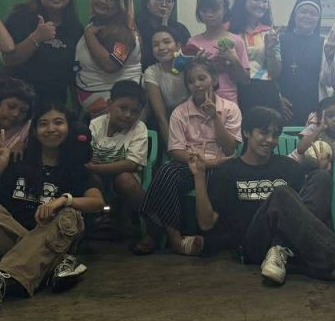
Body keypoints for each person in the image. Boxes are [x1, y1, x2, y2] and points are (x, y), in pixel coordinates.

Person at [193, 105, 335, 288]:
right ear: (246, 132)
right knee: (281, 194)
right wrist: (199, 176)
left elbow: (307, 211)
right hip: (253, 243)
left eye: (275, 135)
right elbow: (206, 223)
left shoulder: (287, 167)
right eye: (264, 132)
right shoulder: (228, 171)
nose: (270, 140)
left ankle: (280, 249)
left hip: (290, 244)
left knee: (320, 177)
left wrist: (323, 165)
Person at [0, 101, 104, 310]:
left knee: (70, 214)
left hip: (52, 234)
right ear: (35, 132)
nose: (51, 129)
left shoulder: (75, 168)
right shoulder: (19, 161)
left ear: (69, 128)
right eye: (43, 124)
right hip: (12, 234)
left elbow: (97, 202)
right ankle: (51, 264)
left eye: (58, 122)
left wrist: (63, 200)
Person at [135, 59, 241, 257]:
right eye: (191, 81)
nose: (197, 84)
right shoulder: (180, 112)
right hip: (191, 163)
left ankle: (156, 233)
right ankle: (175, 239)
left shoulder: (230, 108)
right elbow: (175, 151)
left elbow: (229, 149)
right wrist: (202, 163)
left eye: (202, 78)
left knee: (222, 176)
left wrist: (215, 117)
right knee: (167, 171)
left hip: (222, 165)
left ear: (214, 79)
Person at [0, 0, 84, 106]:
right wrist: (36, 37)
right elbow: (8, 60)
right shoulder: (20, 16)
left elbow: (74, 72)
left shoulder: (74, 27)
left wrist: (78, 108)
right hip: (17, 99)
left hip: (53, 102)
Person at [85, 80, 148, 237]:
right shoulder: (96, 124)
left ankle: (148, 223)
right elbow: (85, 155)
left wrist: (96, 167)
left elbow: (131, 164)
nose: (128, 115)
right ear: (110, 104)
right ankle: (94, 221)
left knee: (125, 179)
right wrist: (94, 168)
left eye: (135, 111)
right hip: (98, 177)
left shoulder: (139, 128)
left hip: (123, 178)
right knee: (90, 177)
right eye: (123, 108)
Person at [75, 0, 142, 115]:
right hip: (98, 106)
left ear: (121, 5)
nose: (103, 1)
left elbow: (111, 65)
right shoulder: (98, 23)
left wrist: (89, 35)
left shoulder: (125, 32)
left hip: (117, 108)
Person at [188, 0, 250, 104]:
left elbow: (246, 80)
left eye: (214, 10)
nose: (209, 14)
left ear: (225, 10)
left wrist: (234, 60)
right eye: (204, 10)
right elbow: (188, 80)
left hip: (229, 102)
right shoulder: (192, 43)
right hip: (200, 102)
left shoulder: (236, 41)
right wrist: (199, 64)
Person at [230, 0, 283, 114]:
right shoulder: (229, 31)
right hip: (237, 91)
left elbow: (275, 73)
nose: (261, 5)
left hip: (265, 92)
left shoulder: (270, 32)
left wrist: (270, 50)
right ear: (243, 0)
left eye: (265, 1)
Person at [278, 0, 325, 126]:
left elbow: (326, 80)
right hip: (282, 105)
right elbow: (270, 73)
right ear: (295, 14)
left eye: (313, 14)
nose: (307, 16)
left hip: (312, 106)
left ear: (318, 19)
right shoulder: (280, 39)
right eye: (303, 12)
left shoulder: (323, 43)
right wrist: (277, 97)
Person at [143, 28, 188, 143]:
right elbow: (161, 118)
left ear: (178, 45)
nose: (161, 47)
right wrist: (172, 148)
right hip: (171, 124)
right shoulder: (152, 72)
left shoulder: (190, 66)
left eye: (167, 42)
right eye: (155, 45)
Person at [136, 0, 190, 70]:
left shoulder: (180, 29)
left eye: (169, 1)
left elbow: (186, 57)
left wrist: (165, 25)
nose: (164, 4)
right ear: (147, 2)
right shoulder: (137, 26)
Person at [293, 95, 335, 165]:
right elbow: (300, 149)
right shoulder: (313, 128)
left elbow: (330, 159)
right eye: (330, 116)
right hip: (295, 163)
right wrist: (320, 129)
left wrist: (324, 135)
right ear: (320, 118)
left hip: (315, 169)